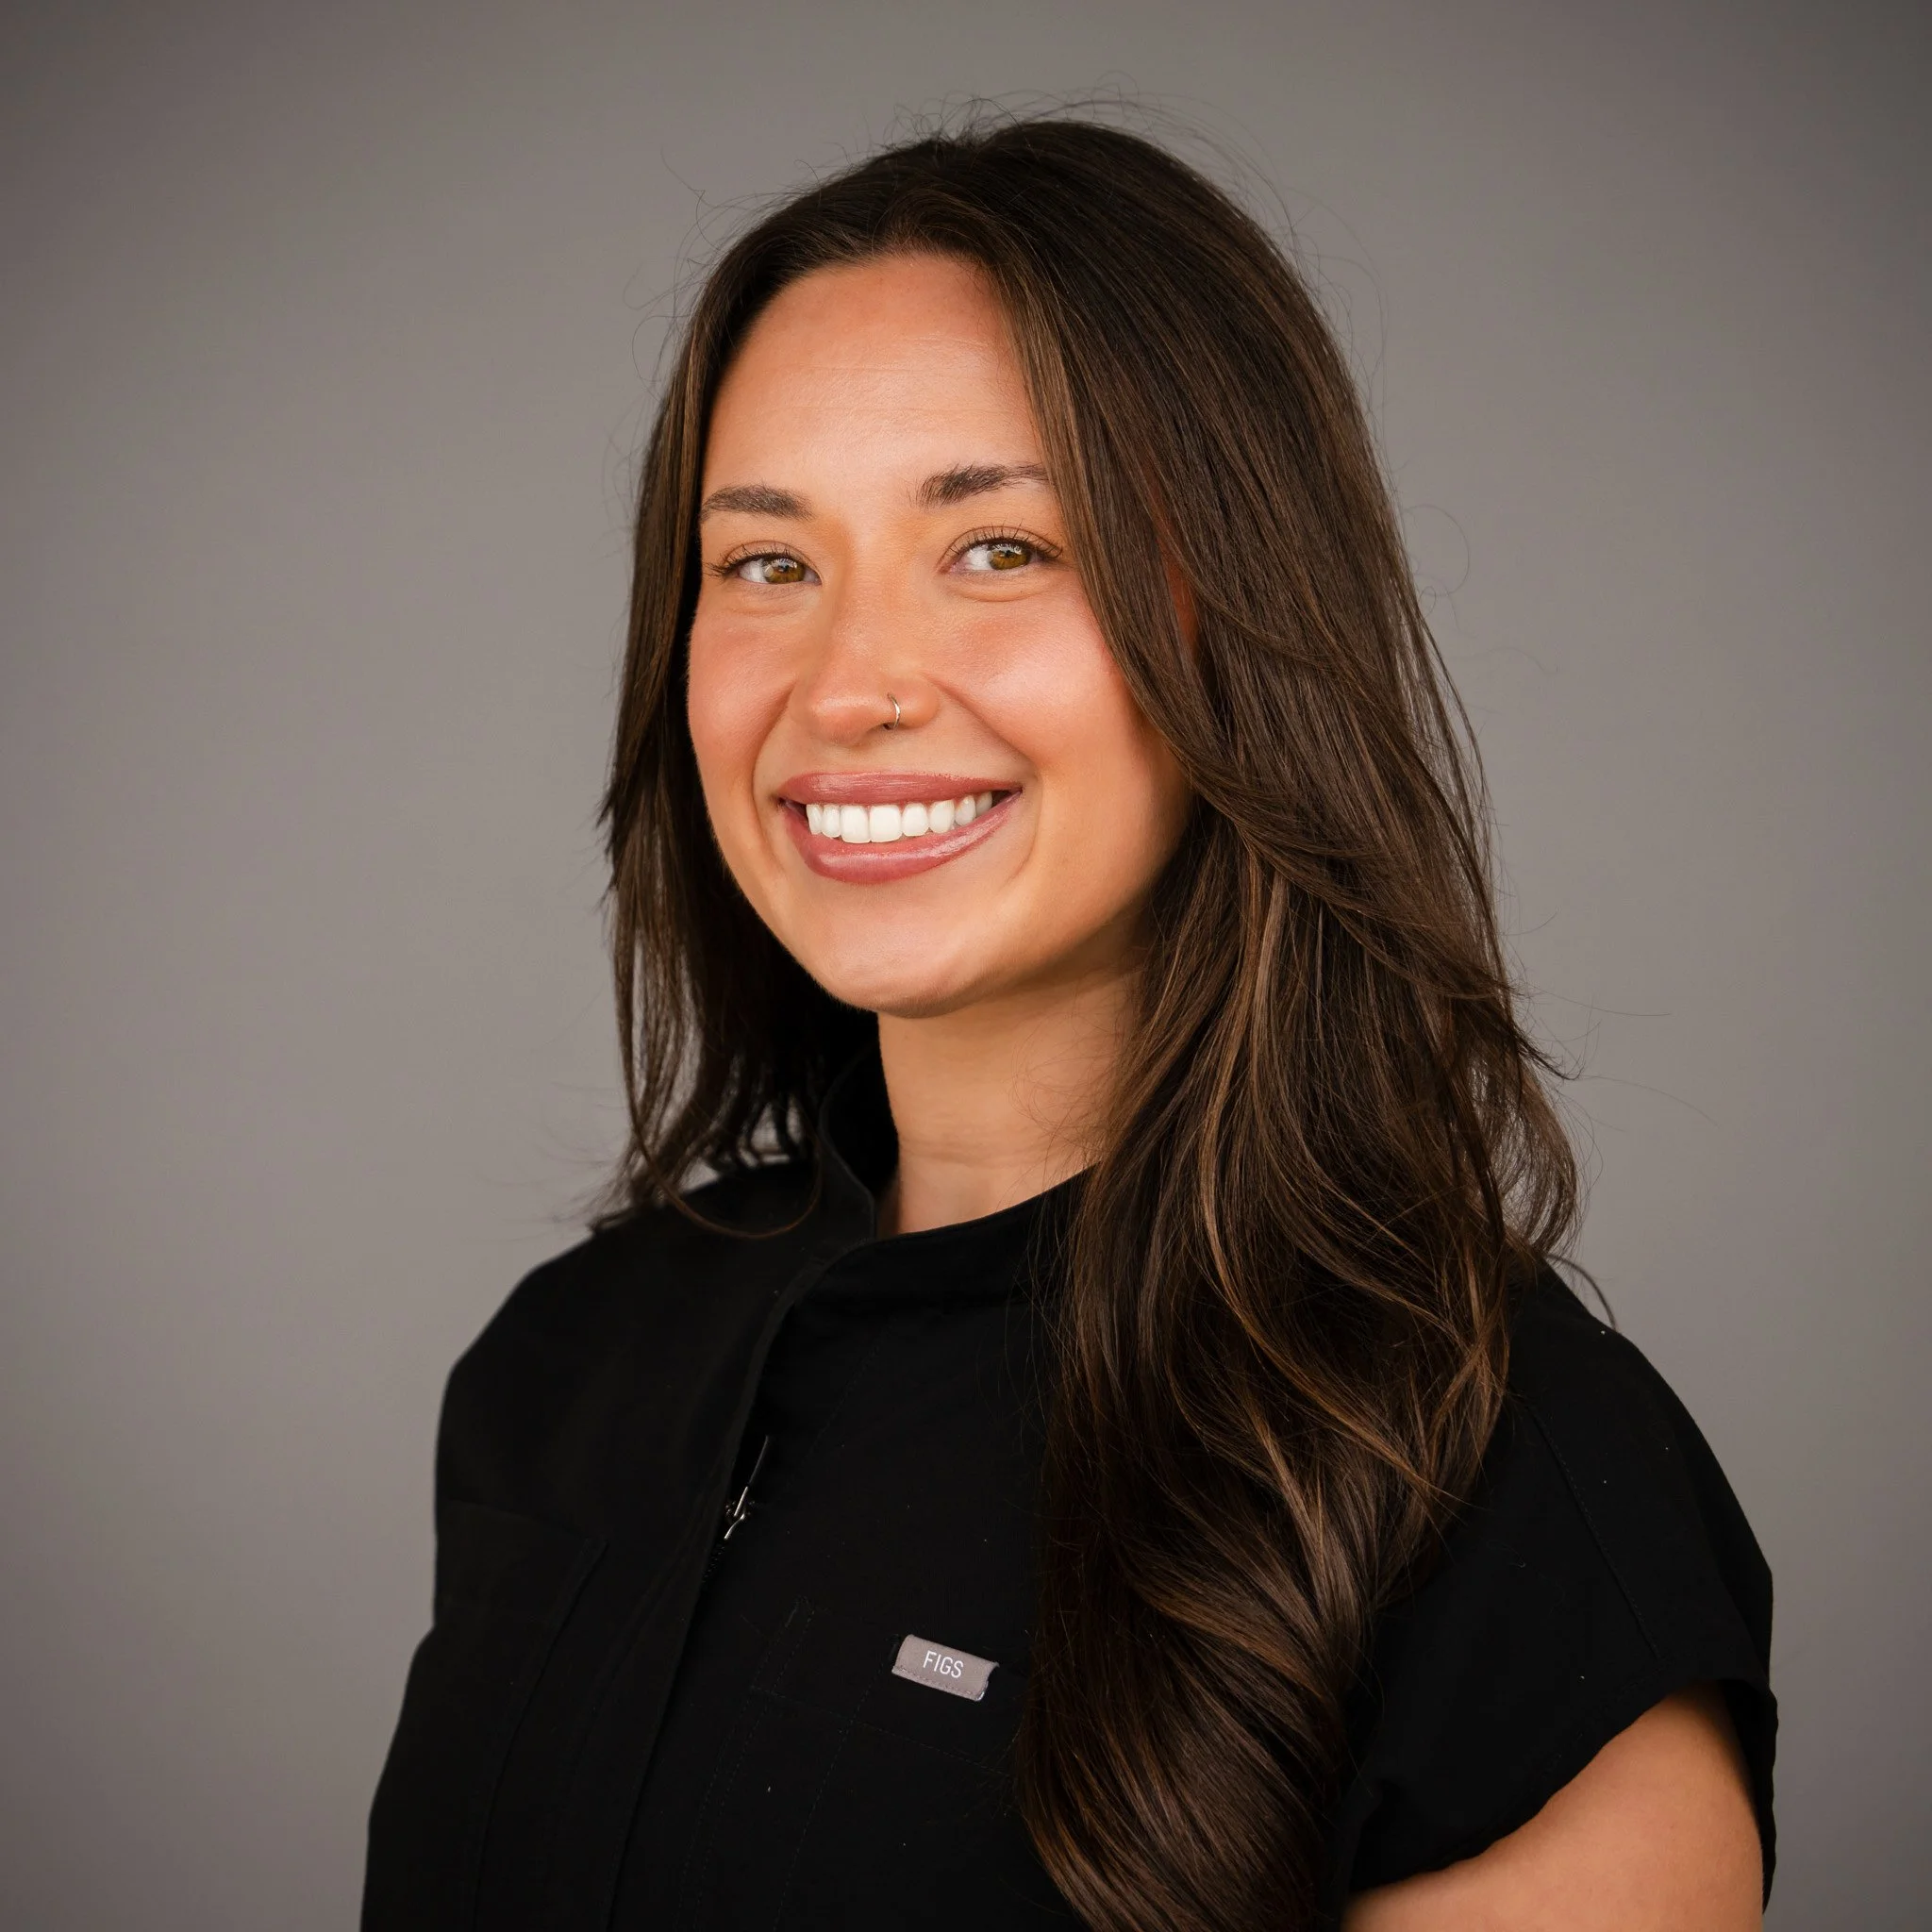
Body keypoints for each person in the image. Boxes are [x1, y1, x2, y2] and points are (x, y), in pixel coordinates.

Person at [362, 117, 1774, 1932]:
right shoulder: (570, 1367)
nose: (853, 684)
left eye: (1003, 546)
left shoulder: (1498, 1485)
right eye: (766, 565)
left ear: (1239, 622)